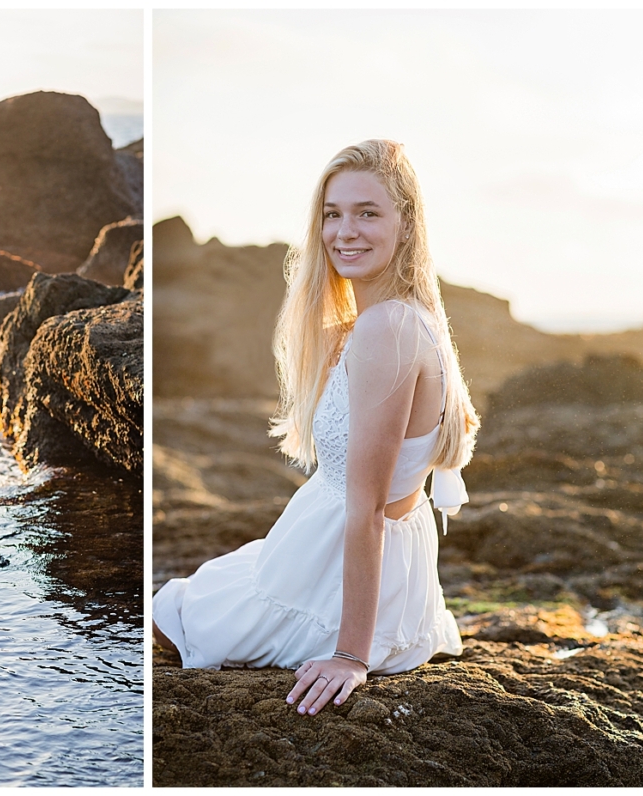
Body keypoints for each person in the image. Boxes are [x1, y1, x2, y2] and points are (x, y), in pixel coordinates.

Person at [152, 140, 480, 718]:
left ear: (406, 223)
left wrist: (350, 654)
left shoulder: (388, 329)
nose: (344, 231)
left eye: (367, 213)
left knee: (167, 618)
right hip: (331, 555)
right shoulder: (396, 317)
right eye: (333, 214)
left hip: (335, 575)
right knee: (181, 602)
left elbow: (370, 509)